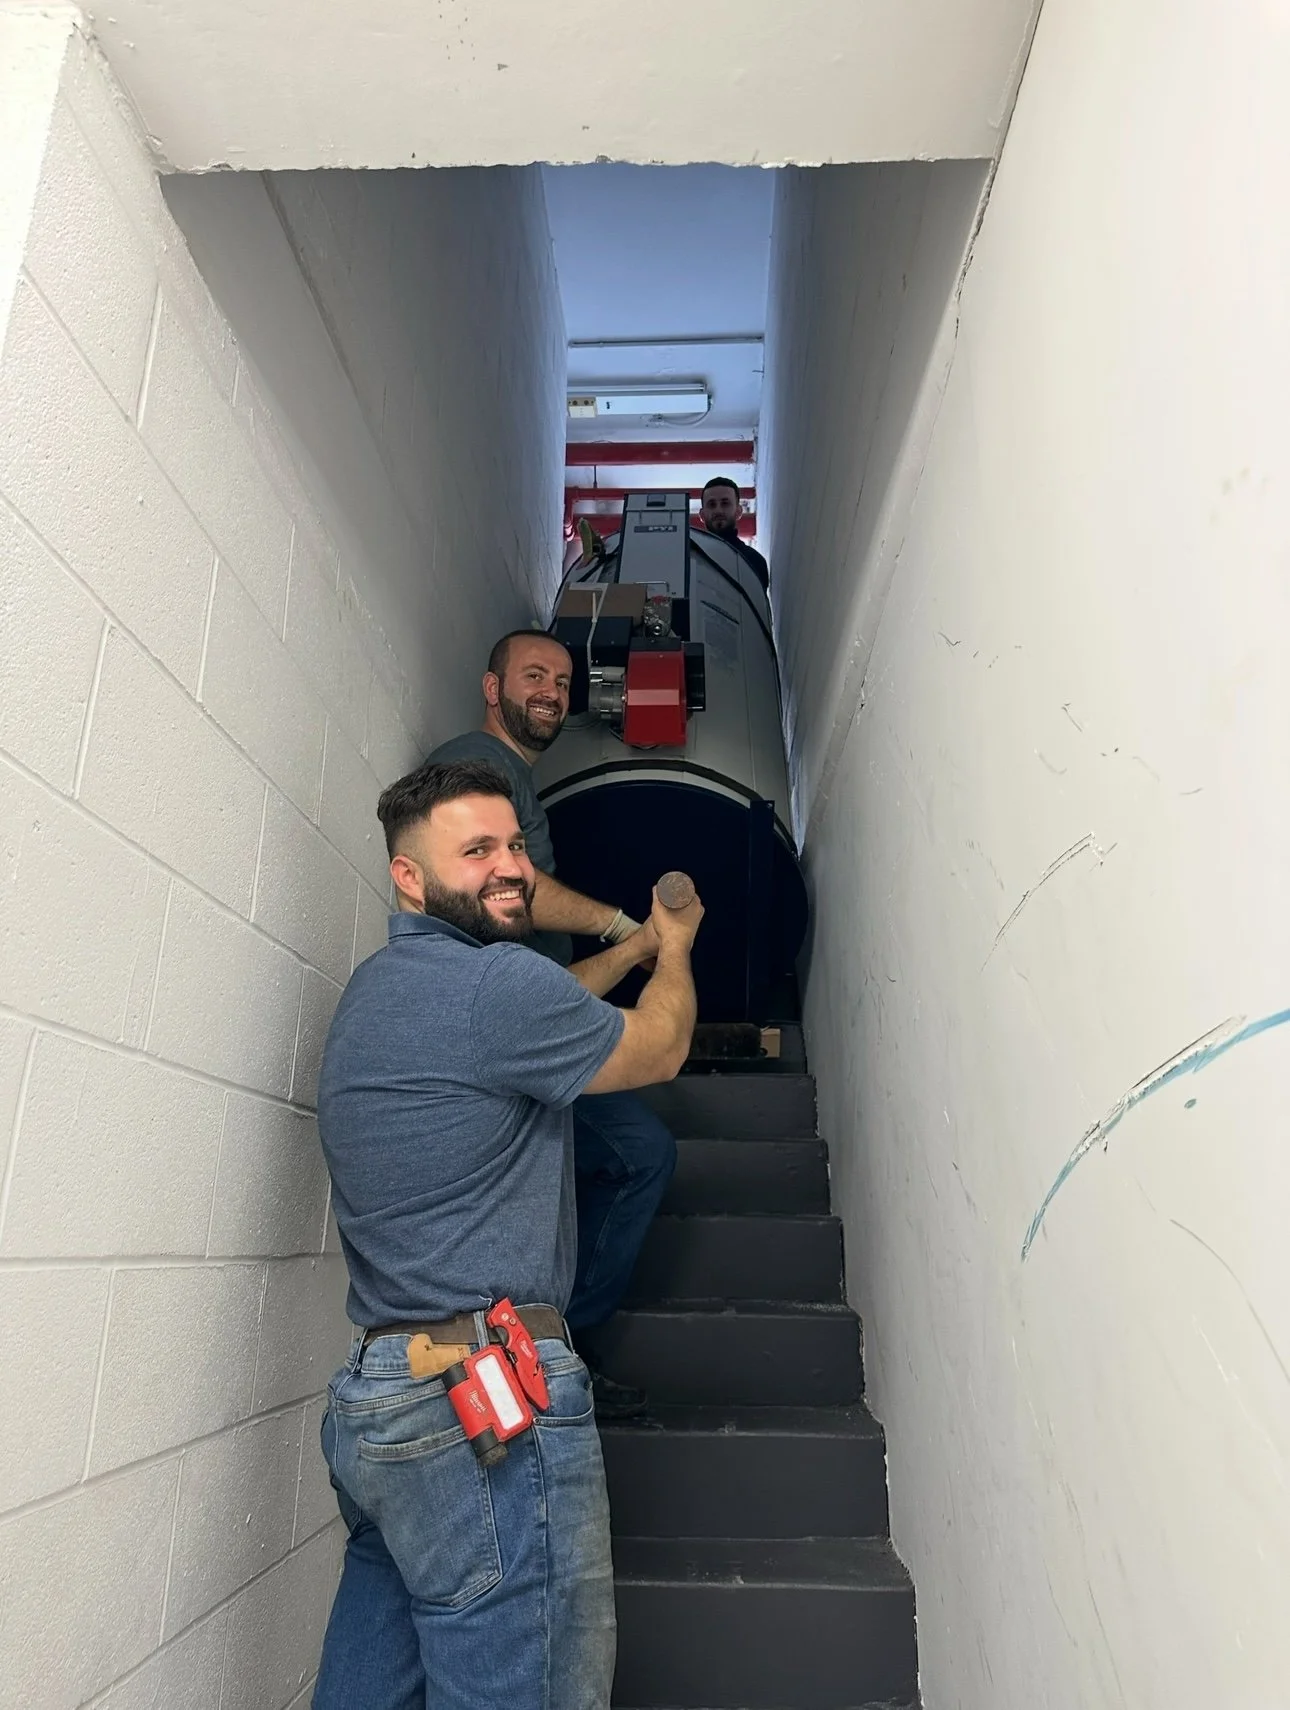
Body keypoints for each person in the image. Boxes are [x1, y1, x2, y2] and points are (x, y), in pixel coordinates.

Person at [313, 757, 702, 1710]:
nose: (512, 867)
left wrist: (629, 947)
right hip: (482, 1408)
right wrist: (677, 948)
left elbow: (550, 1005)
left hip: (380, 1407)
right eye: (477, 849)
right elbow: (659, 1047)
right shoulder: (495, 991)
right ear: (407, 875)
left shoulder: (377, 992)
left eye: (517, 846)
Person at [427, 630, 679, 1419]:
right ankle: (546, 1358)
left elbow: (549, 971)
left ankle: (554, 1351)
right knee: (634, 1155)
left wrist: (634, 949)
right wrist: (620, 926)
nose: (552, 693)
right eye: (533, 675)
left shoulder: (513, 779)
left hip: (530, 1034)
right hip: (503, 1046)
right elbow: (512, 888)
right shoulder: (478, 761)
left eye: (564, 682)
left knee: (630, 1156)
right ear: (491, 688)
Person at [698, 475, 771, 593]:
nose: (718, 510)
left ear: (738, 511)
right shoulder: (690, 560)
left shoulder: (754, 561)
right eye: (711, 504)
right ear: (702, 515)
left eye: (725, 503)